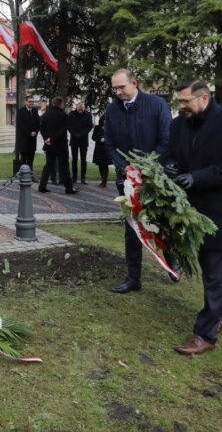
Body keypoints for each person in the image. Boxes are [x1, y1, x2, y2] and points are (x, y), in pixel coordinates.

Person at [165, 80, 222, 356]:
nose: (181, 107)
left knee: (214, 274)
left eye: (185, 102)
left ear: (203, 98)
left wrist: (197, 178)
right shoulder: (179, 124)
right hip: (192, 213)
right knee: (210, 268)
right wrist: (169, 166)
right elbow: (173, 154)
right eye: (179, 102)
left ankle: (205, 334)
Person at [104, 68, 178, 292]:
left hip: (155, 177)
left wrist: (147, 167)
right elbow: (108, 144)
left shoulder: (156, 105)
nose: (118, 92)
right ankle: (133, 278)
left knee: (160, 223)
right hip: (127, 179)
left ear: (134, 83)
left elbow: (166, 140)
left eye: (121, 87)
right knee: (132, 229)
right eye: (114, 88)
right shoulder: (111, 110)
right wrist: (124, 167)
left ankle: (171, 262)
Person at [38, 96, 78, 194]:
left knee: (48, 166)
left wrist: (46, 139)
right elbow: (62, 130)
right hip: (60, 145)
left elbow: (42, 128)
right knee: (64, 167)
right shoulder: (63, 115)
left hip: (49, 145)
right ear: (60, 104)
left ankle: (42, 186)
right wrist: (52, 139)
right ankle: (68, 188)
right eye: (63, 103)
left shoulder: (46, 114)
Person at [68, 101, 93, 184]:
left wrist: (82, 134)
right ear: (76, 107)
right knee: (74, 160)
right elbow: (68, 125)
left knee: (83, 160)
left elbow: (90, 126)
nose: (80, 109)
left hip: (83, 139)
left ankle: (83, 178)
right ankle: (74, 177)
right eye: (79, 108)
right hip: (74, 139)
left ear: (84, 107)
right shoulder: (71, 114)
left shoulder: (88, 114)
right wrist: (74, 134)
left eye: (82, 108)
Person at [16, 95, 40, 169]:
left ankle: (30, 176)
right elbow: (20, 125)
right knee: (23, 161)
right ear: (26, 102)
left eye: (32, 102)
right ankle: (23, 177)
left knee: (31, 161)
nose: (31, 103)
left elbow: (38, 123)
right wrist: (30, 133)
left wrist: (36, 132)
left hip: (32, 141)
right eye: (30, 101)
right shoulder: (21, 111)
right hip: (24, 140)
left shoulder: (35, 110)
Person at [91, 115, 110, 188]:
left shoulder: (109, 128)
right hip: (99, 149)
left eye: (106, 120)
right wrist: (99, 140)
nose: (105, 121)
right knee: (100, 165)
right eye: (104, 120)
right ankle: (102, 180)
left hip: (106, 149)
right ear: (101, 120)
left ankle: (105, 182)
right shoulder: (97, 127)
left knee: (105, 165)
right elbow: (93, 137)